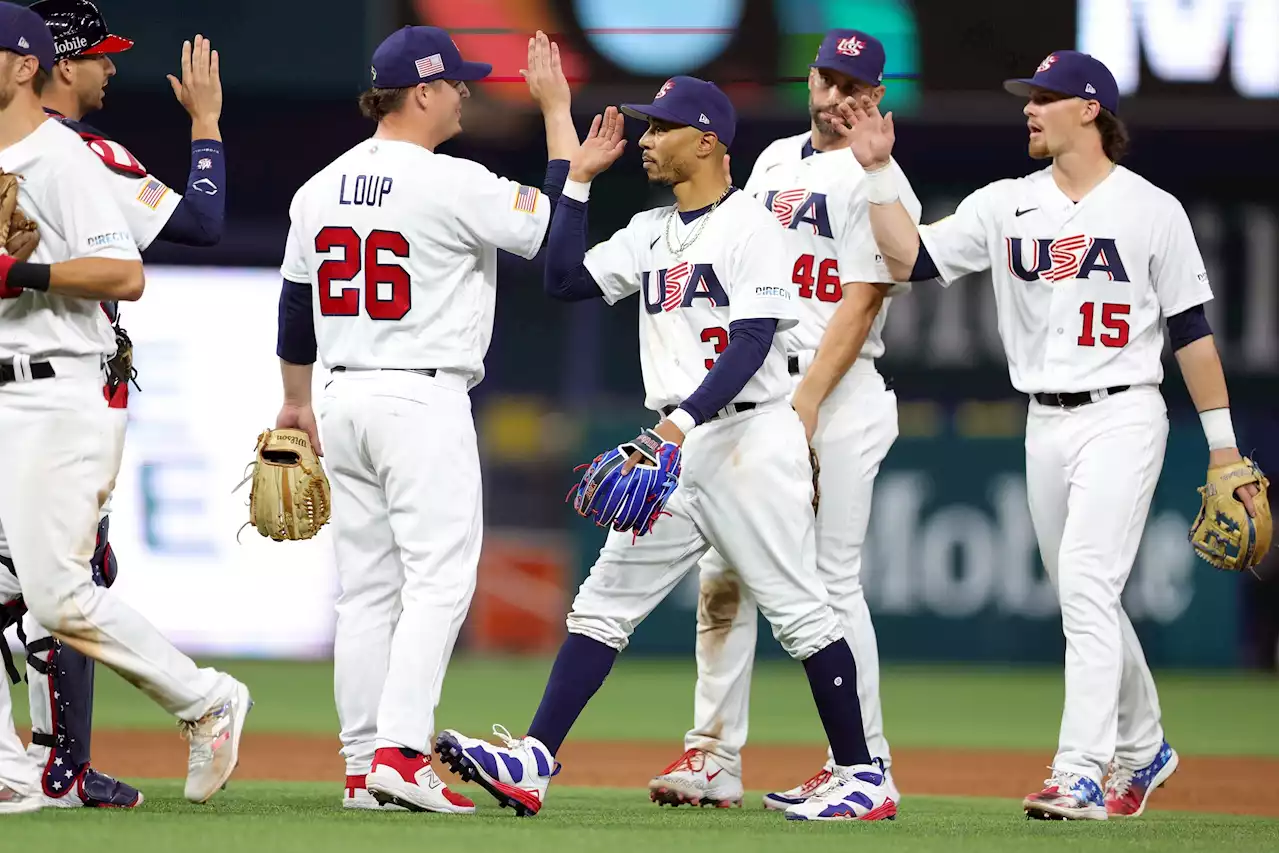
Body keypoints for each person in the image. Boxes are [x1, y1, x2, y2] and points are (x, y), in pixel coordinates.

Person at [434, 76, 897, 823]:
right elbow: (561, 279)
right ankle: (534, 758)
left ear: (708, 140)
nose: (645, 141)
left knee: (803, 613)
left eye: (662, 128)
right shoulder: (651, 231)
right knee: (604, 600)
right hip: (678, 446)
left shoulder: (754, 225)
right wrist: (576, 183)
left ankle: (861, 772)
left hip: (749, 436)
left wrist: (677, 427)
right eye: (646, 129)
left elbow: (751, 343)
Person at [834, 49, 1258, 820]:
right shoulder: (1006, 203)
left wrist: (1223, 445)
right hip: (1043, 420)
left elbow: (1193, 333)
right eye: (1027, 97)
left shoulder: (1150, 208)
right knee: (1079, 591)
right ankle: (1147, 743)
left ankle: (1081, 769)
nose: (1028, 108)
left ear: (1091, 108)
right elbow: (910, 256)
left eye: (1045, 97)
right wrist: (875, 171)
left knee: (1089, 584)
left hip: (1125, 408)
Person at [274, 27, 575, 813]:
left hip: (340, 397)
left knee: (367, 590)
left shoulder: (317, 187)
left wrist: (295, 398)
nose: (467, 92)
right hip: (420, 394)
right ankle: (401, 757)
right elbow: (549, 228)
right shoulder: (450, 181)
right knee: (438, 581)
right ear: (422, 93)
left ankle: (360, 764)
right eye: (458, 83)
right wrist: (555, 115)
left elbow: (294, 307)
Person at [645, 29, 919, 812]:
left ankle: (868, 765)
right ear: (809, 77)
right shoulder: (770, 162)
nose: (836, 98)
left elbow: (867, 297)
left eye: (854, 85)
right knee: (723, 575)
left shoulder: (880, 175)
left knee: (829, 584)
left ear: (878, 96)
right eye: (827, 78)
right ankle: (711, 755)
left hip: (836, 393)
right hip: (765, 390)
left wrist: (802, 411)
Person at [0, 1, 249, 815]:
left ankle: (200, 700)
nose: (111, 69)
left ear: (33, 64)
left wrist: (21, 275)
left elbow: (164, 248)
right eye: (100, 56)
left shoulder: (72, 156)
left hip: (61, 385)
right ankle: (33, 768)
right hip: (19, 382)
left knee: (59, 591)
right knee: (31, 588)